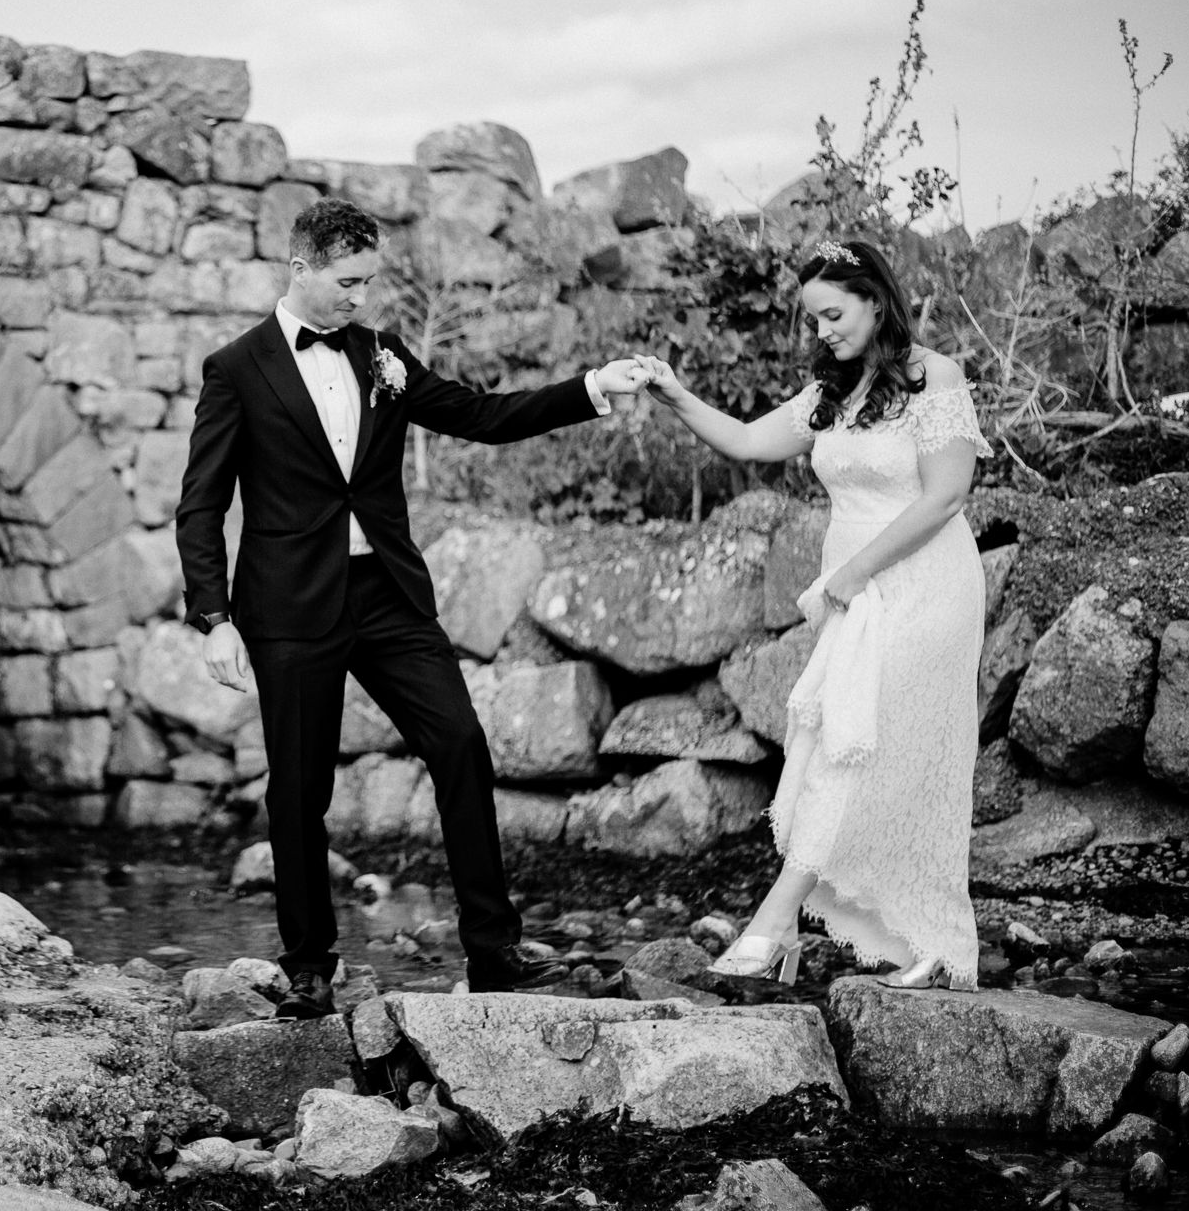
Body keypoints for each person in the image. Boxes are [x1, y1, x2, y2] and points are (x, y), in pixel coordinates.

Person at [175, 198, 653, 1016]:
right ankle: (309, 969)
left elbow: (482, 417)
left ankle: (494, 951)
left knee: (460, 742)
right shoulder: (236, 369)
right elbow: (200, 505)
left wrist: (590, 387)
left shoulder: (384, 356)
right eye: (348, 282)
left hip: (388, 595)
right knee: (298, 789)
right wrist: (215, 620)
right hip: (290, 607)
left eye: (369, 282)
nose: (360, 299)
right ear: (302, 268)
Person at [635, 238, 989, 991]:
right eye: (813, 320)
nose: (822, 330)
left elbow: (946, 495)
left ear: (874, 299)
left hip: (923, 588)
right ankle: (922, 942)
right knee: (860, 747)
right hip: (856, 594)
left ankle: (774, 920)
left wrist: (850, 576)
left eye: (833, 314)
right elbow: (747, 441)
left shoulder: (935, 377)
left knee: (863, 750)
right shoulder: (833, 392)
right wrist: (675, 394)